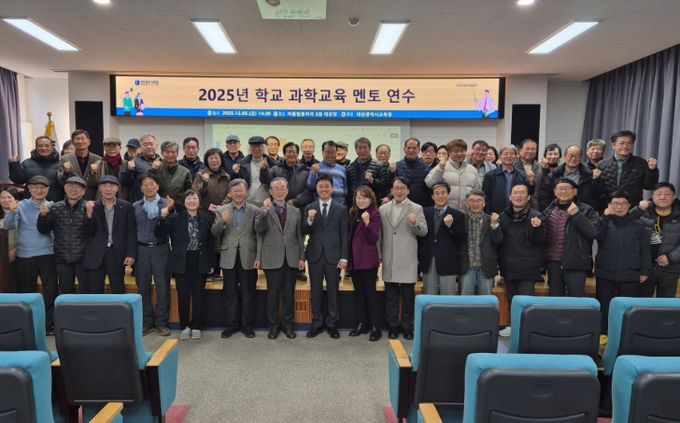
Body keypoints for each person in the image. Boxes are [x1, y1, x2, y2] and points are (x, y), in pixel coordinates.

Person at [2, 176, 58, 333]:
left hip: (48, 253)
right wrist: (12, 212)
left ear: (48, 189)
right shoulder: (21, 205)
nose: (39, 190)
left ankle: (48, 325)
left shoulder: (52, 206)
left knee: (50, 292)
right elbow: (8, 225)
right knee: (27, 292)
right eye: (35, 187)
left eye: (43, 187)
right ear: (29, 189)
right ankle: (30, 325)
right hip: (25, 255)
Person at [156, 189, 214, 340]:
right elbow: (160, 234)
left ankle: (196, 326)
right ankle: (184, 326)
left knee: (198, 295)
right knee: (183, 295)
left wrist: (211, 263)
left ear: (199, 201)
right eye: (188, 199)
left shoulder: (206, 218)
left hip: (200, 260)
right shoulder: (175, 218)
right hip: (181, 261)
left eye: (194, 198)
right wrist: (163, 216)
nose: (192, 201)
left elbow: (210, 242)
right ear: (184, 202)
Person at [255, 177, 305, 340]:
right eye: (276, 188)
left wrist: (301, 257)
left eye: (282, 188)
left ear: (287, 190)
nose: (279, 191)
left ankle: (288, 325)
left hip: (291, 257)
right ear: (270, 191)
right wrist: (264, 211)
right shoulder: (263, 209)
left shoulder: (296, 211)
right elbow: (259, 230)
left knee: (289, 295)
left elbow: (299, 236)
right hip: (271, 258)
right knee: (273, 295)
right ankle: (273, 326)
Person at [595, 191, 651, 334]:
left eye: (623, 203)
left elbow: (645, 249)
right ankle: (604, 335)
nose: (619, 207)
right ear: (609, 205)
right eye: (615, 203)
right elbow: (596, 235)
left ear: (629, 205)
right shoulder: (604, 222)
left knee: (628, 308)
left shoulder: (639, 226)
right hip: (605, 273)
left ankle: (626, 336)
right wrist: (604, 217)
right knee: (604, 307)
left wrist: (645, 271)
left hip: (630, 274)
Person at [380, 177, 427, 340]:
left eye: (402, 188)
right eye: (396, 188)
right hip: (389, 257)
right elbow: (380, 234)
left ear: (408, 190)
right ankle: (393, 327)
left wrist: (414, 223)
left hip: (407, 258)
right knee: (391, 297)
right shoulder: (383, 209)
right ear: (392, 190)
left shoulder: (416, 208)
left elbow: (424, 232)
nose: (399, 191)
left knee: (408, 297)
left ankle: (407, 327)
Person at [302, 175, 348, 339]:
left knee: (333, 291)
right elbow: (303, 231)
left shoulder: (341, 209)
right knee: (315, 291)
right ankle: (316, 323)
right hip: (314, 255)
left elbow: (344, 235)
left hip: (334, 256)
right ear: (316, 188)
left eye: (326, 186)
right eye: (320, 186)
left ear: (332, 188)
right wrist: (310, 219)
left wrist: (344, 258)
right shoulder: (309, 207)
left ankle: (332, 324)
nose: (323, 189)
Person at [212, 179, 260, 339]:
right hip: (228, 257)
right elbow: (214, 232)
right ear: (230, 193)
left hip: (249, 256)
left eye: (241, 191)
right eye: (235, 191)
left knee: (248, 294)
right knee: (230, 294)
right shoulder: (222, 210)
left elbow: (259, 233)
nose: (238, 194)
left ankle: (247, 326)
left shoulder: (255, 210)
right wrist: (222, 222)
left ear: (246, 193)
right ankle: (230, 325)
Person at [498, 183, 546, 337]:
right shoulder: (503, 216)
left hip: (528, 268)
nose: (518, 196)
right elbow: (499, 241)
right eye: (515, 193)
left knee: (526, 303)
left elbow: (541, 241)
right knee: (511, 299)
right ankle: (513, 327)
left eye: (522, 193)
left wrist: (537, 228)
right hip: (508, 266)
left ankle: (527, 331)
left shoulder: (537, 216)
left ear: (528, 197)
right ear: (510, 196)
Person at [542, 178, 599, 297]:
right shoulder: (548, 210)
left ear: (575, 191)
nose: (563, 191)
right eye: (560, 189)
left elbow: (593, 233)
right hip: (553, 264)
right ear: (555, 192)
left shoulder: (586, 209)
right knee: (555, 300)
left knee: (577, 301)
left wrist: (577, 215)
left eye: (567, 188)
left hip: (576, 263)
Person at [132, 174, 171, 336]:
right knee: (143, 288)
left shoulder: (167, 204)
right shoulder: (135, 206)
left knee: (163, 287)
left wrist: (167, 214)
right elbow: (131, 231)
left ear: (157, 186)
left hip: (161, 249)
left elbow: (172, 226)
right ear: (141, 188)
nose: (148, 187)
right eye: (145, 185)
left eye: (151, 184)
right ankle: (146, 322)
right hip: (141, 250)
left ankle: (161, 322)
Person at [82, 175, 136, 294]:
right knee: (95, 291)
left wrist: (131, 254)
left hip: (117, 254)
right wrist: (89, 215)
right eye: (104, 186)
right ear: (100, 188)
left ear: (117, 188)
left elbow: (131, 232)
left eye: (111, 186)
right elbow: (87, 233)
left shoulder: (126, 206)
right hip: (96, 255)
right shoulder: (92, 206)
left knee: (118, 290)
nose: (108, 189)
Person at [36, 176, 89, 295]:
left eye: (77, 187)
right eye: (70, 186)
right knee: (66, 292)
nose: (73, 189)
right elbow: (43, 230)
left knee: (86, 291)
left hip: (84, 258)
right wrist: (42, 216)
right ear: (65, 188)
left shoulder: (89, 207)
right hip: (62, 258)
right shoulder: (55, 207)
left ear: (83, 191)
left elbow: (93, 231)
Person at [630, 182, 680, 298]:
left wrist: (671, 257)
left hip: (670, 268)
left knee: (665, 305)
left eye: (667, 194)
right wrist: (638, 209)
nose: (662, 197)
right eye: (658, 194)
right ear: (652, 196)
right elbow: (625, 223)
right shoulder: (643, 211)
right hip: (644, 268)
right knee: (642, 303)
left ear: (674, 197)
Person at [592, 130, 659, 211]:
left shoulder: (641, 163)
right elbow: (597, 190)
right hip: (608, 208)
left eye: (629, 143)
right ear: (614, 145)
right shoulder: (602, 164)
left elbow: (649, 186)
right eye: (622, 143)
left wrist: (652, 171)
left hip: (632, 208)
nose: (625, 146)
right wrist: (595, 179)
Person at [418, 182, 466, 294]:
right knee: (430, 298)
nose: (440, 196)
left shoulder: (458, 215)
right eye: (437, 193)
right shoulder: (424, 212)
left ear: (448, 195)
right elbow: (420, 236)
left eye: (443, 193)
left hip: (448, 262)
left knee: (448, 298)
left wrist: (451, 226)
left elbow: (461, 239)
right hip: (428, 261)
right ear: (432, 196)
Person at [347, 186, 382, 341]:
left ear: (371, 199)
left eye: (364, 197)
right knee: (358, 294)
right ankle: (362, 323)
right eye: (358, 197)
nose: (361, 200)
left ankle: (376, 327)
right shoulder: (352, 213)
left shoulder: (374, 214)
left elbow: (374, 237)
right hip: (354, 260)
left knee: (371, 294)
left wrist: (367, 222)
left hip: (368, 261)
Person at [460, 191, 502, 295]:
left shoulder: (491, 219)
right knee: (465, 301)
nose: (475, 203)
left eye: (479, 200)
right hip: (467, 268)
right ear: (467, 204)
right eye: (472, 201)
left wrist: (494, 225)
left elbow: (498, 240)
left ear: (484, 203)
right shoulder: (461, 219)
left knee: (486, 302)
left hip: (486, 268)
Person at [425, 139, 481, 212]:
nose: (460, 154)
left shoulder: (472, 169)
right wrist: (440, 169)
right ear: (449, 152)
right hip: (446, 212)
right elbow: (429, 183)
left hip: (467, 212)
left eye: (462, 151)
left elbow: (477, 191)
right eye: (456, 151)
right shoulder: (442, 166)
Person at [538, 145, 597, 210]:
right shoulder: (553, 176)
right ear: (565, 156)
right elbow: (544, 198)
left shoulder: (589, 176)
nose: (573, 158)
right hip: (557, 212)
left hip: (583, 212)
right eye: (571, 155)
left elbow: (597, 196)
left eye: (577, 156)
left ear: (581, 157)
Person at [8, 135, 63, 202]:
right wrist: (14, 164)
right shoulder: (26, 163)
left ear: (52, 147)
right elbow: (18, 180)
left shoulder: (60, 164)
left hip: (55, 203)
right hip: (31, 203)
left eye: (47, 146)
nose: (44, 148)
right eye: (40, 146)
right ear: (36, 147)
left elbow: (64, 183)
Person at [482, 145, 529, 214]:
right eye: (505, 154)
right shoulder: (490, 175)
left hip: (517, 213)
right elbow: (486, 197)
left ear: (516, 157)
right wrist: (490, 213)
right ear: (500, 156)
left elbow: (528, 195)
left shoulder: (522, 175)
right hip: (496, 214)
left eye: (512, 154)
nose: (509, 156)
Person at [57, 130, 102, 200]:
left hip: (91, 200)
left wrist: (93, 173)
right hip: (71, 199)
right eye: (77, 139)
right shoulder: (64, 159)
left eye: (83, 138)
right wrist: (66, 173)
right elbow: (61, 182)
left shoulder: (98, 159)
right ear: (73, 143)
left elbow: (98, 183)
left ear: (89, 142)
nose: (80, 141)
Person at [232, 136, 277, 207]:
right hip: (247, 202)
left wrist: (265, 170)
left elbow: (273, 183)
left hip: (267, 203)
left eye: (259, 146)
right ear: (249, 149)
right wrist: (235, 173)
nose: (256, 149)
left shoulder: (272, 164)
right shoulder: (242, 164)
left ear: (264, 148)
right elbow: (235, 183)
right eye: (253, 147)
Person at [389, 138, 433, 207]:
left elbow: (430, 189)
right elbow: (391, 186)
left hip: (421, 207)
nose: (411, 150)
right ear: (404, 149)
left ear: (418, 150)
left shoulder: (427, 168)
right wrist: (390, 172)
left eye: (414, 148)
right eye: (409, 148)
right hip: (400, 206)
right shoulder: (396, 166)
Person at [149, 141, 193, 209]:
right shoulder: (155, 169)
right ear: (162, 153)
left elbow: (188, 192)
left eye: (173, 152)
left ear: (177, 153)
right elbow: (148, 185)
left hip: (179, 208)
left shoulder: (185, 171)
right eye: (167, 152)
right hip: (158, 207)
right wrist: (153, 170)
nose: (170, 154)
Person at [269, 142, 312, 210]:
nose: (291, 154)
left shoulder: (306, 170)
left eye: (294, 152)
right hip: (278, 206)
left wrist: (296, 201)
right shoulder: (275, 169)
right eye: (289, 152)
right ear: (284, 154)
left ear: (297, 154)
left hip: (300, 208)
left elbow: (309, 190)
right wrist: (263, 169)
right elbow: (266, 182)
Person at [346, 137, 388, 206]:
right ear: (356, 150)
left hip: (372, 205)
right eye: (359, 148)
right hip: (354, 206)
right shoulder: (350, 167)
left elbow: (384, 187)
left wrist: (372, 181)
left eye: (365, 148)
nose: (362, 150)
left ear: (370, 149)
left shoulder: (379, 166)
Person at [121, 133, 162, 202]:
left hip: (159, 202)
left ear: (156, 145)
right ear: (141, 147)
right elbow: (125, 183)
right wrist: (129, 171)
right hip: (140, 202)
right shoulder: (134, 161)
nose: (149, 147)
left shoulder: (162, 162)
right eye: (145, 145)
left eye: (151, 144)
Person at [306, 140, 348, 205]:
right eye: (327, 152)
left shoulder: (342, 169)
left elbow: (345, 190)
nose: (330, 155)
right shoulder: (316, 167)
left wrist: (345, 206)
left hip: (340, 206)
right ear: (322, 152)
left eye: (332, 153)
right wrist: (313, 173)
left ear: (336, 152)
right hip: (322, 207)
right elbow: (310, 187)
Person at [193, 148, 230, 212]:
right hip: (205, 210)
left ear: (221, 160)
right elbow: (195, 193)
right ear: (207, 160)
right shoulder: (200, 174)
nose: (214, 160)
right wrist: (204, 183)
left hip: (223, 210)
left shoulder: (226, 176)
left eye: (216, 158)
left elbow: (230, 194)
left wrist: (222, 206)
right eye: (211, 158)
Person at [0, 187, 19, 292]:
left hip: (19, 255)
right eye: (3, 197)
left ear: (16, 200)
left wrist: (16, 249)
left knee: (15, 285)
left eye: (9, 197)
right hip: (2, 257)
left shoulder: (21, 214)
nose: (6, 200)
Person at [515, 138, 541, 208]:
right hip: (516, 203)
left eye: (533, 149)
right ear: (520, 151)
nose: (530, 151)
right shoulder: (513, 165)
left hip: (534, 205)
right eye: (527, 148)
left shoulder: (539, 166)